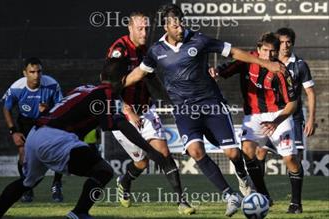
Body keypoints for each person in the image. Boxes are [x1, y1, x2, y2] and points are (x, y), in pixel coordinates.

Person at [123, 4, 285, 217]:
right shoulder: (156, 51)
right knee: (195, 151)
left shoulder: (200, 40)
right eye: (175, 25)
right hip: (183, 111)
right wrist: (113, 86)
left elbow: (234, 52)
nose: (180, 28)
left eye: (182, 23)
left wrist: (266, 64)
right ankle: (229, 196)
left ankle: (243, 179)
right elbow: (138, 74)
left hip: (211, 105)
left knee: (233, 153)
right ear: (166, 26)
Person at [0, 58, 176, 219]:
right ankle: (79, 213)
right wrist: (151, 151)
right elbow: (116, 124)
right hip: (56, 138)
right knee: (104, 171)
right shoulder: (107, 94)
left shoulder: (84, 88)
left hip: (36, 134)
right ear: (124, 80)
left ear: (101, 75)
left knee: (26, 182)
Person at [106, 11, 195, 214]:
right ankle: (124, 181)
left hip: (146, 111)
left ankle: (182, 202)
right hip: (122, 114)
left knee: (163, 154)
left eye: (146, 27)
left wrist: (171, 101)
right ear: (130, 28)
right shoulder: (118, 50)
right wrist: (127, 109)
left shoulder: (146, 50)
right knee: (142, 162)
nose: (144, 31)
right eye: (140, 28)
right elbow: (109, 85)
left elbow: (151, 79)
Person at [215, 32, 304, 214]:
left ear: (277, 52)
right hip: (253, 116)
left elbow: (292, 104)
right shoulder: (246, 60)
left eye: (273, 52)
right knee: (247, 151)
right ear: (258, 49)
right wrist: (215, 72)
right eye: (265, 50)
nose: (269, 55)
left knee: (290, 159)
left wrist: (276, 122)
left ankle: (296, 203)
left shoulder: (281, 71)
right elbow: (225, 70)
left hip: (278, 115)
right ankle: (264, 195)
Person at [256, 28, 316, 185]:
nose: (285, 45)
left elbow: (310, 92)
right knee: (260, 151)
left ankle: (295, 200)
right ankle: (260, 194)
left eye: (288, 42)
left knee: (292, 158)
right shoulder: (265, 63)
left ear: (293, 43)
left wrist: (311, 119)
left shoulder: (300, 65)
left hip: (293, 117)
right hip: (270, 115)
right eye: (281, 42)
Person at [1, 57, 64, 202]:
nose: (36, 75)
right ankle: (26, 188)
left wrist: (48, 110)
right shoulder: (17, 88)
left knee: (56, 151)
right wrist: (13, 131)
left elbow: (62, 107)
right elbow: (6, 108)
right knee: (23, 154)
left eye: (39, 71)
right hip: (26, 122)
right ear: (25, 73)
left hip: (47, 120)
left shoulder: (52, 85)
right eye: (32, 72)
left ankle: (56, 184)